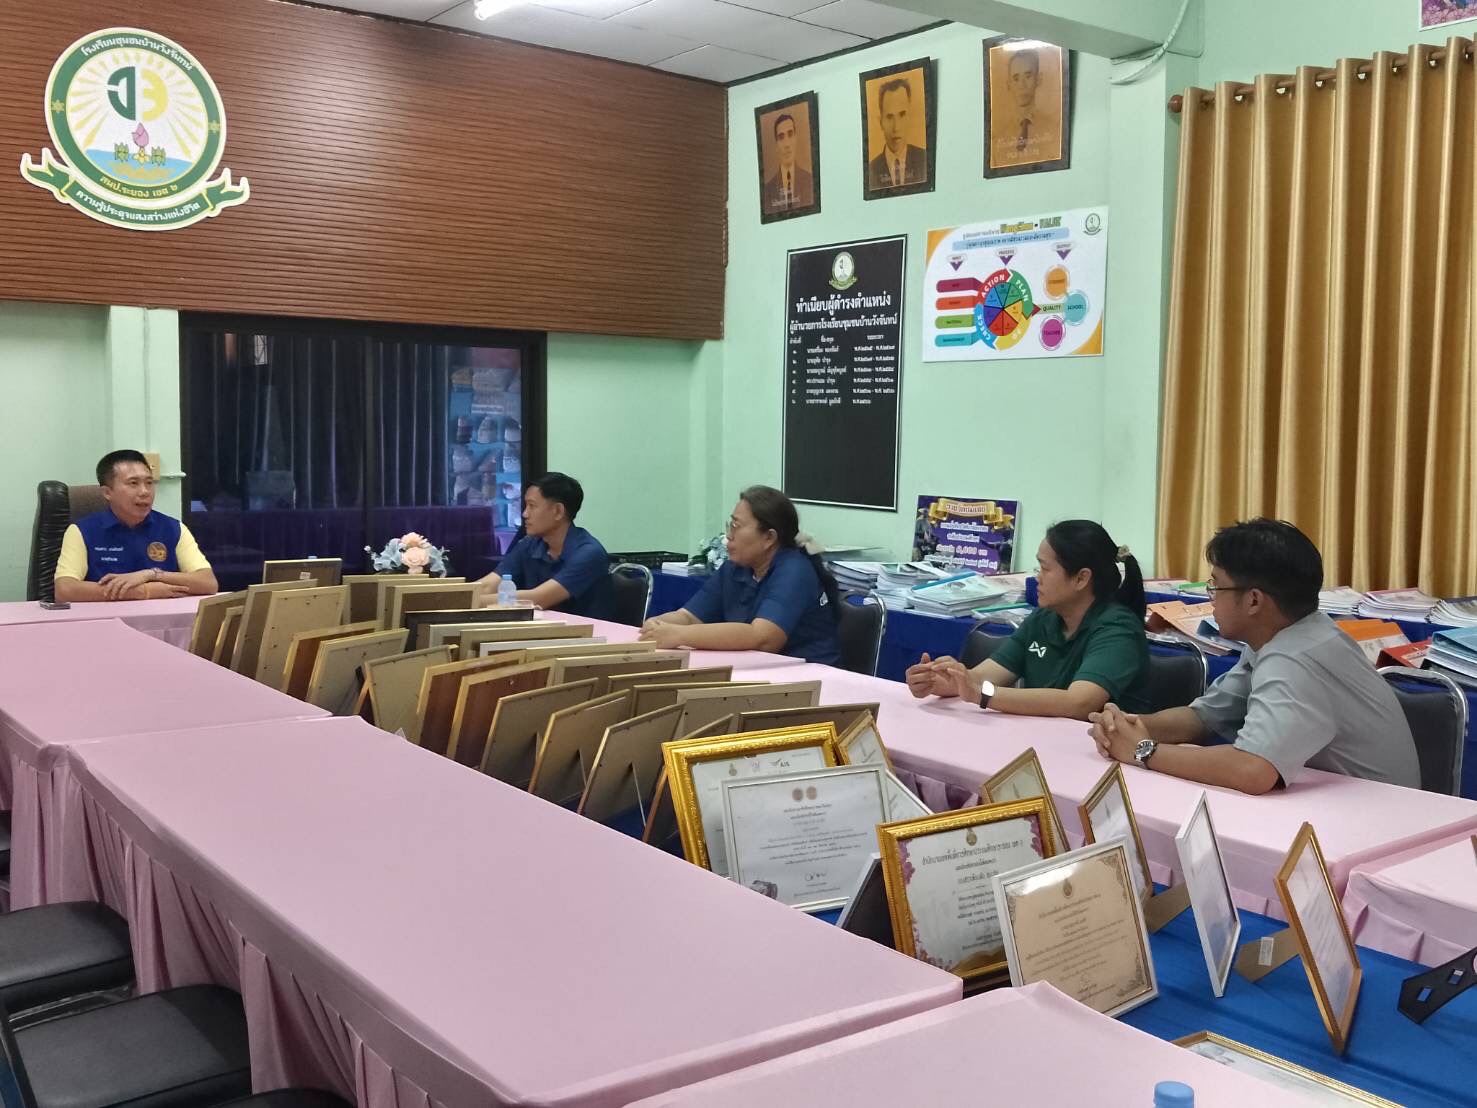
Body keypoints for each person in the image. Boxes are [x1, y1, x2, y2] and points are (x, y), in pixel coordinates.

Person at [1088, 519, 1420, 794]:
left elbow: (1253, 770)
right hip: (1332, 805)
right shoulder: (1285, 635)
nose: (1210, 598)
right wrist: (1127, 727)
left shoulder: (1296, 659)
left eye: (1216, 586)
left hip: (1376, 822)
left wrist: (1144, 751)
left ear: (1254, 601)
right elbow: (1205, 717)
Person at [906, 521, 1150, 719]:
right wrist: (946, 681)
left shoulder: (1118, 628)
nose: (1037, 578)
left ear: (1081, 579)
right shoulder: (1044, 617)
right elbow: (981, 677)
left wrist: (981, 694)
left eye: (1045, 568)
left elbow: (1078, 703)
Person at [639, 486, 840, 664]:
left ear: (769, 537)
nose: (729, 535)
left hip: (812, 676)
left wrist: (678, 635)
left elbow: (763, 638)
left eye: (737, 526)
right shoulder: (736, 567)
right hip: (760, 670)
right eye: (730, 525)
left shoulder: (795, 571)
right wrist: (658, 624)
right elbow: (689, 617)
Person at [54, 449, 218, 603]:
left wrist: (151, 575)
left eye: (149, 483)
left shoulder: (173, 528)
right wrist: (144, 591)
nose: (145, 491)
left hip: (162, 618)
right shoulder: (82, 531)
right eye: (133, 483)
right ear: (107, 493)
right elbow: (64, 590)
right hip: (104, 620)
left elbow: (208, 583)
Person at [474, 472, 614, 619]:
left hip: (587, 631)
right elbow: (488, 585)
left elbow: (538, 599)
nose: (525, 514)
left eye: (532, 506)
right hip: (542, 628)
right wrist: (461, 596)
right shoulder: (529, 544)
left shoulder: (589, 553)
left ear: (558, 511)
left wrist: (470, 602)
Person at [867, 77, 928, 190]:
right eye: (889, 117)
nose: (896, 127)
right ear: (881, 122)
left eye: (902, 115)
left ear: (909, 117)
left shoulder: (924, 159)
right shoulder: (870, 170)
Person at [762, 112, 814, 213]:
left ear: (796, 138)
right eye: (781, 137)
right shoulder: (767, 190)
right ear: (776, 145)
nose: (787, 144)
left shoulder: (810, 181)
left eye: (790, 134)